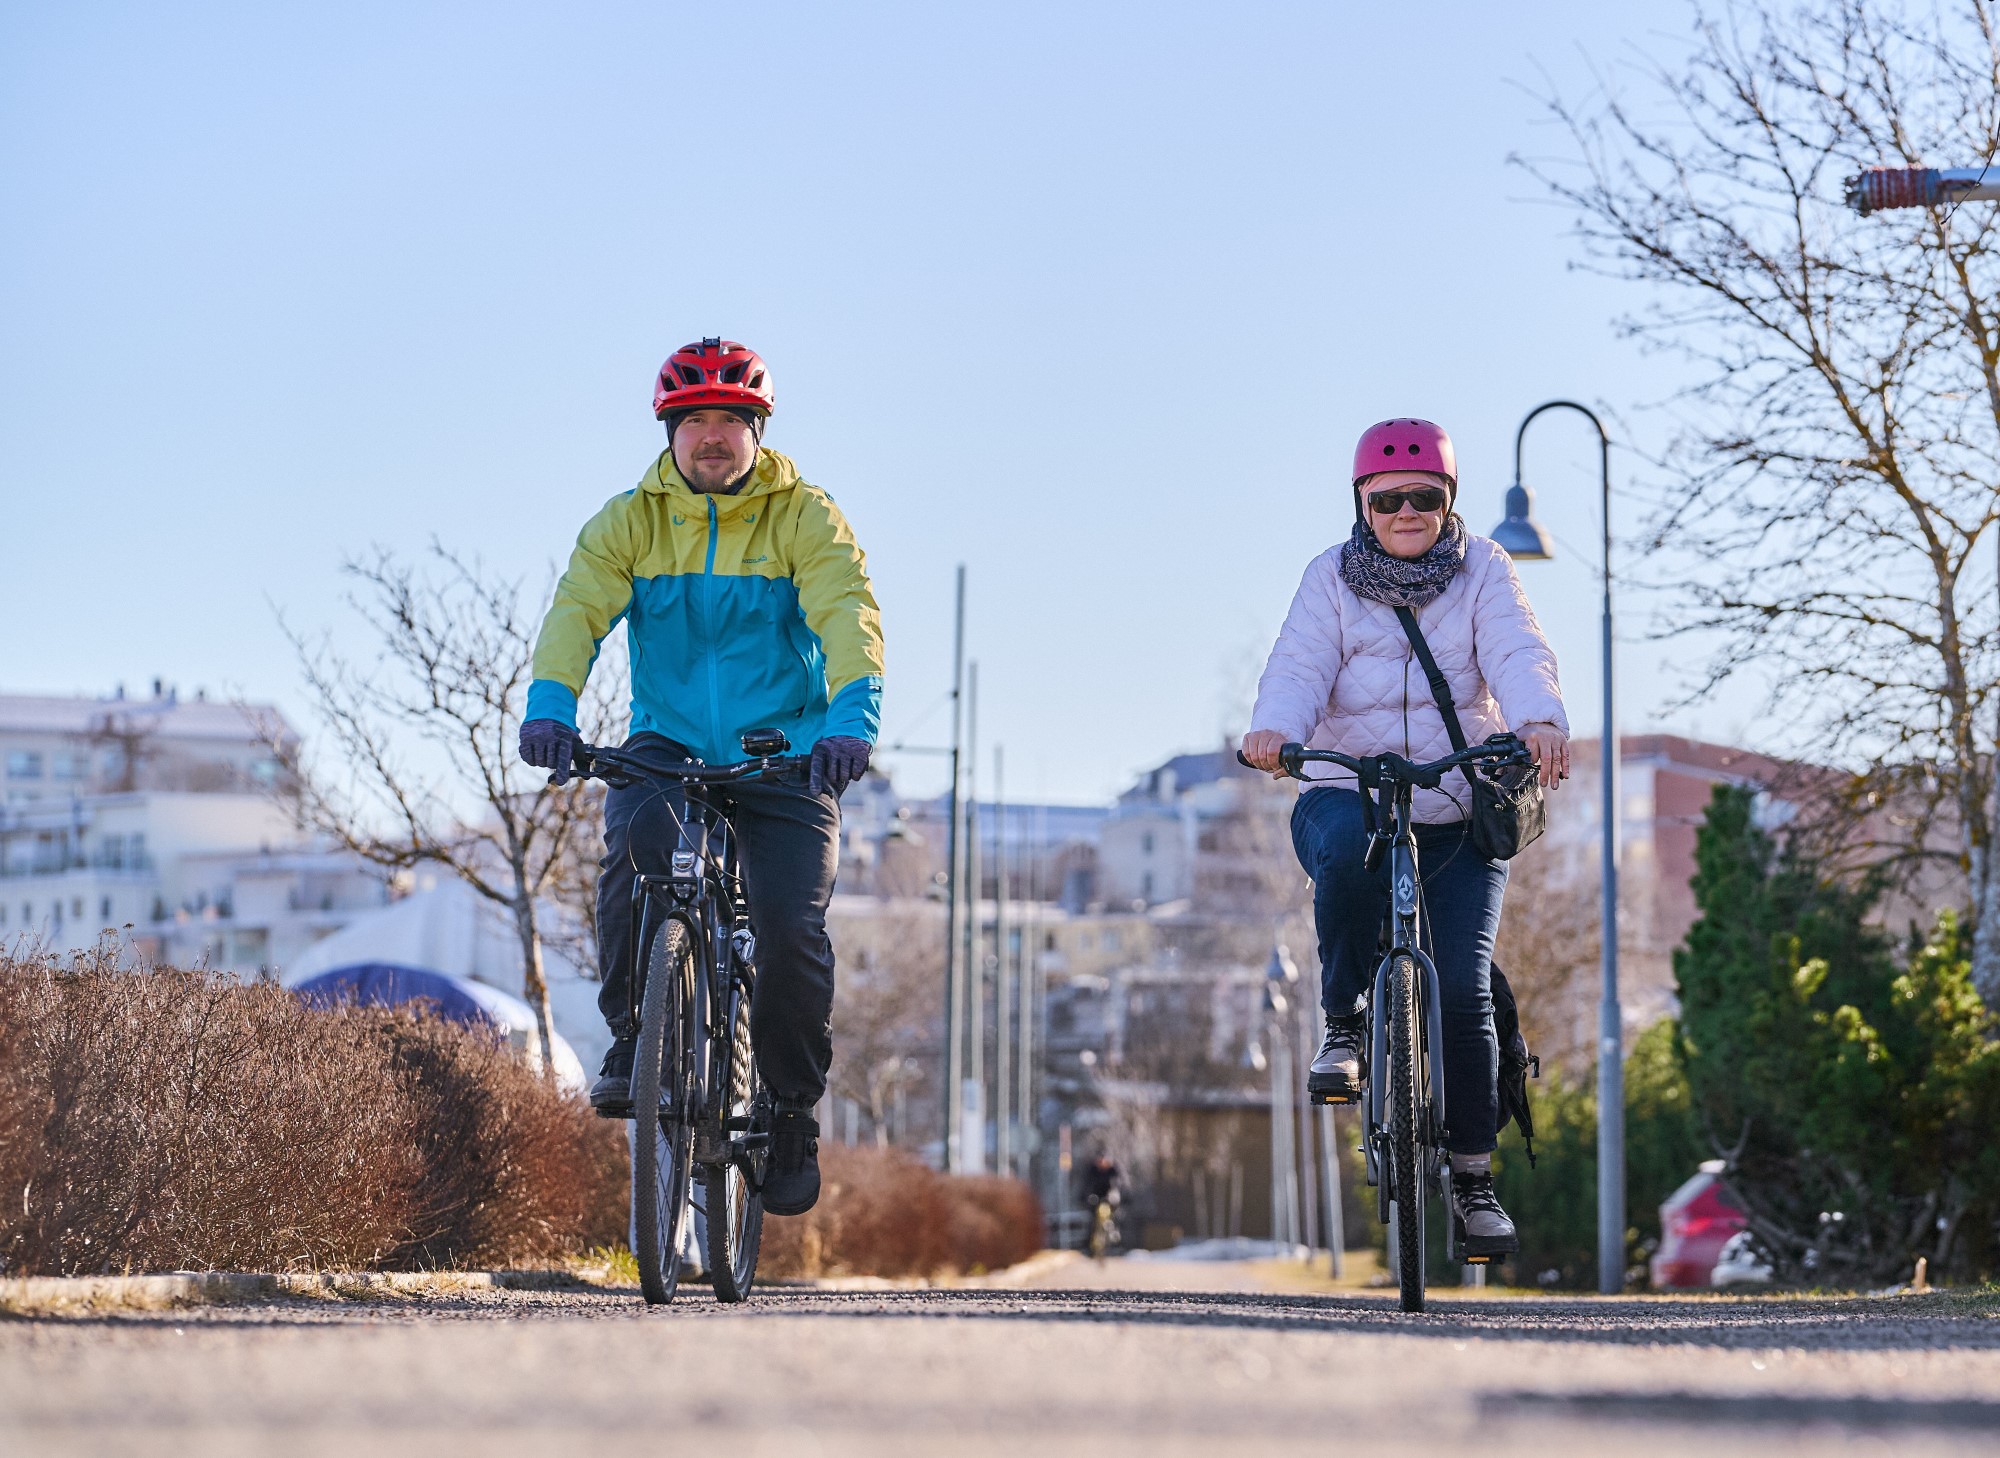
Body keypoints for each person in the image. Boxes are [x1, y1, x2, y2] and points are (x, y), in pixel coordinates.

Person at [518, 337, 883, 1217]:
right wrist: (551, 704)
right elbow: (577, 610)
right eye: (695, 422)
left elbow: (847, 613)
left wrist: (848, 722)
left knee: (793, 932)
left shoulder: (806, 516)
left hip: (785, 752)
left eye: (730, 420)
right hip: (667, 745)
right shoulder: (628, 521)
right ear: (670, 433)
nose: (712, 437)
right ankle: (631, 1040)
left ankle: (789, 1110)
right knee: (626, 867)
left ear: (757, 428)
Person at [1241, 418, 1568, 1258]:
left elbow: (1519, 650)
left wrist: (1538, 720)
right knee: (1347, 857)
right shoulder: (1329, 581)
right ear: (1363, 505)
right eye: (1389, 500)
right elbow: (1299, 665)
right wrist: (1273, 730)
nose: (1406, 512)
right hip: (1348, 787)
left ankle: (1471, 1180)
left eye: (1425, 497)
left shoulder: (1485, 571)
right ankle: (1344, 1024)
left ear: (1449, 500)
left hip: (1459, 800)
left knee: (1462, 989)